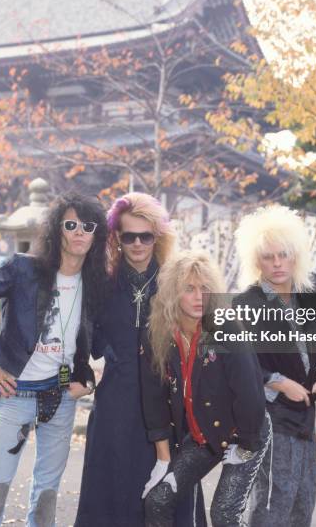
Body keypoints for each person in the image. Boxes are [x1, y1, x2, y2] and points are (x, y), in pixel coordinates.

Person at [0, 193, 107, 527]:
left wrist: (89, 379)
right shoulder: (23, 269)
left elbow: (105, 341)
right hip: (15, 394)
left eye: (88, 225)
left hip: (62, 398)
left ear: (98, 234)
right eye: (71, 224)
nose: (80, 232)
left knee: (47, 496)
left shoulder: (96, 283)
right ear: (57, 230)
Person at [75, 192, 200, 526]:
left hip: (168, 404)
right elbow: (84, 344)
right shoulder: (101, 283)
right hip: (115, 403)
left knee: (168, 494)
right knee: (113, 490)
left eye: (145, 235)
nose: (137, 244)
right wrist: (74, 378)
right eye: (129, 236)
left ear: (157, 236)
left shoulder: (175, 283)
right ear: (116, 238)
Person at [140, 250, 271, 527]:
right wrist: (163, 460)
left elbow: (251, 394)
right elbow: (154, 399)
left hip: (245, 430)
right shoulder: (159, 334)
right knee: (158, 500)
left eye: (205, 288)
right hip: (205, 434)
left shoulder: (226, 328)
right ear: (174, 293)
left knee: (224, 515)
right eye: (189, 289)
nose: (199, 296)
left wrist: (246, 445)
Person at [233, 204, 316, 527]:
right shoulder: (246, 304)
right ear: (255, 259)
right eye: (268, 256)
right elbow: (240, 363)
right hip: (271, 413)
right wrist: (279, 382)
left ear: (296, 255)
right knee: (272, 500)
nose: (277, 264)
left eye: (283, 254)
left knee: (303, 499)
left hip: (306, 408)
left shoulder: (310, 289)